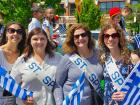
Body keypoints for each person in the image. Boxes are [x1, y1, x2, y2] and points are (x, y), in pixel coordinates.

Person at [54, 23, 103, 105]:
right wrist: (60, 103)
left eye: (83, 35)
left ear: (88, 36)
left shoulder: (98, 54)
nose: (80, 38)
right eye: (76, 36)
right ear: (72, 40)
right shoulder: (67, 58)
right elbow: (58, 85)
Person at [10, 28, 62, 105]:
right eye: (35, 39)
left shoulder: (59, 58)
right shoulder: (22, 60)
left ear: (47, 41)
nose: (39, 42)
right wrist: (23, 97)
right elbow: (11, 84)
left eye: (42, 39)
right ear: (29, 42)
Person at [98, 23, 139, 105]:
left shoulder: (132, 58)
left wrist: (128, 94)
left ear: (119, 38)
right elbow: (103, 82)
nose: (110, 39)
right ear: (103, 39)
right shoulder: (103, 58)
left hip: (127, 102)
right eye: (106, 36)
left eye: (114, 35)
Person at [0, 22, 26, 105]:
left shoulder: (24, 55)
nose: (15, 33)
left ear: (22, 36)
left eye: (19, 31)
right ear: (6, 34)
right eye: (12, 31)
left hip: (18, 98)